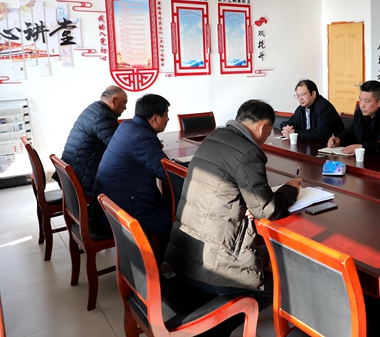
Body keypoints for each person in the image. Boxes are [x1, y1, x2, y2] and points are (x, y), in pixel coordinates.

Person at [164, 99, 300, 325]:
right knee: (273, 290)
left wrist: (248, 204)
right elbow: (266, 209)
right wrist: (290, 189)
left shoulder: (214, 137)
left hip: (182, 257)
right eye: (268, 132)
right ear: (264, 126)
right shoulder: (248, 152)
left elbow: (225, 190)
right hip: (213, 269)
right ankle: (212, 328)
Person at [94, 94, 171, 240]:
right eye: (166, 115)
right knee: (175, 217)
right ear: (155, 118)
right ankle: (157, 255)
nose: (168, 119)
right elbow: (166, 173)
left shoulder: (127, 126)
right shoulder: (142, 137)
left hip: (107, 206)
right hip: (121, 213)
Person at [60, 86, 128, 193]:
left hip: (73, 173)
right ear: (114, 101)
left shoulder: (94, 109)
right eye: (124, 103)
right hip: (83, 180)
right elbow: (119, 148)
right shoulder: (103, 116)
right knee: (133, 179)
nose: (125, 107)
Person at [328, 80, 380, 155]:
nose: (362, 105)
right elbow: (352, 131)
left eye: (366, 101)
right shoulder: (360, 112)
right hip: (366, 157)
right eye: (360, 100)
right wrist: (339, 139)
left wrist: (363, 147)